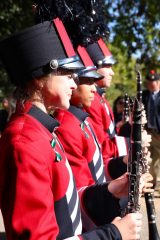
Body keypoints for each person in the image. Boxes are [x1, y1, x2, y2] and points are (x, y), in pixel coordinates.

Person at [0, 19, 143, 240]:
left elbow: (68, 204)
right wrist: (113, 234)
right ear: (39, 80)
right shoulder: (24, 141)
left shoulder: (40, 130)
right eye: (67, 75)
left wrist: (113, 189)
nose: (74, 84)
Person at [142, 70, 160, 189]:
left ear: (158, 82)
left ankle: (158, 184)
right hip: (147, 131)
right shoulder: (144, 95)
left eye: (153, 82)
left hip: (159, 132)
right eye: (149, 82)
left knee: (158, 158)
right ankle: (151, 182)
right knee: (148, 157)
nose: (151, 84)